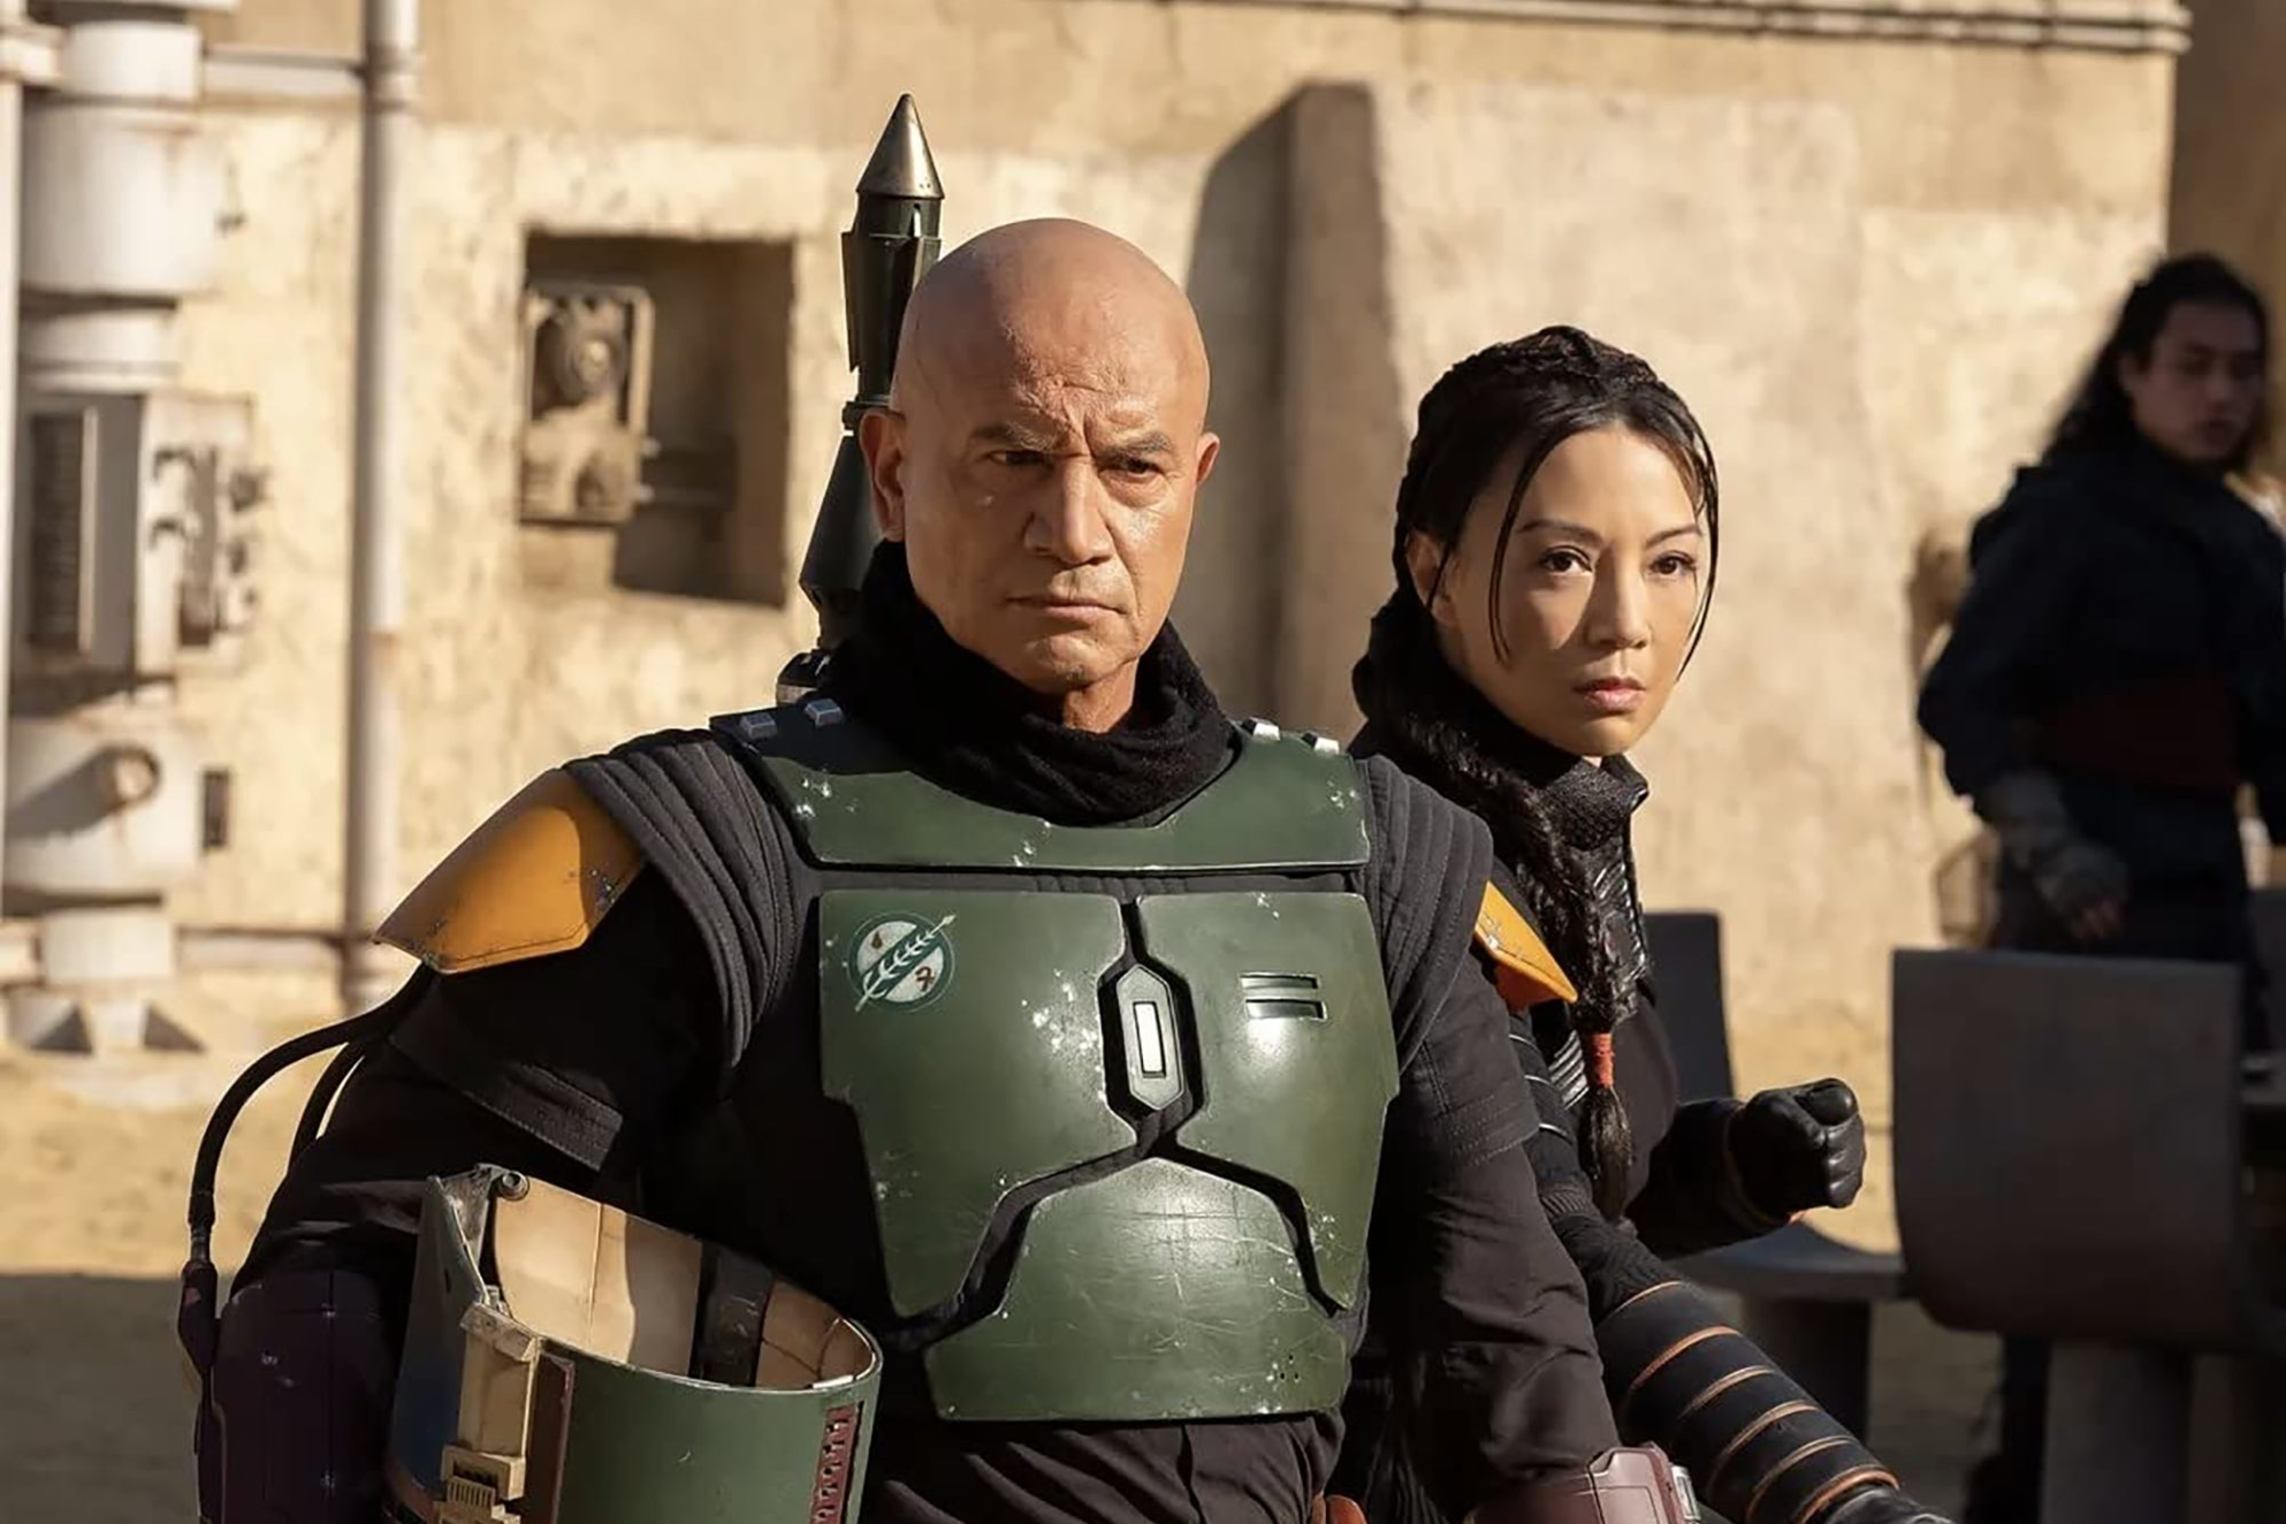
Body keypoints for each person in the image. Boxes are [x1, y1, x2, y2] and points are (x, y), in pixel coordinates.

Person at [197, 221, 1669, 1524]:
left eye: (1132, 466)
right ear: (893, 472)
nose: (1074, 529)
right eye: (1012, 458)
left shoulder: (1379, 861)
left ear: (1196, 480)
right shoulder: (710, 855)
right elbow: (345, 1281)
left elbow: (1517, 1359)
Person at [1334, 326, 1947, 1524]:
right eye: (1563, 561)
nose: (1626, 621)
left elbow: (1594, 1177)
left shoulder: (1566, 821)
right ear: (1435, 571)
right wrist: (1829, 1491)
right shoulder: (1396, 849)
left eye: (1670, 565)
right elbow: (1536, 1226)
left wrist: (1738, 1164)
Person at [1918, 252, 2285, 1523]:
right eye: (2192, 366)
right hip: (2080, 930)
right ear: (2131, 372)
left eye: (2243, 371)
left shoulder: (2247, 544)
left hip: (2207, 924)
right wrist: (2052, 846)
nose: (2220, 394)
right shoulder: (2067, 518)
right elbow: (1967, 701)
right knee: (2070, 1262)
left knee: (2207, 1240)